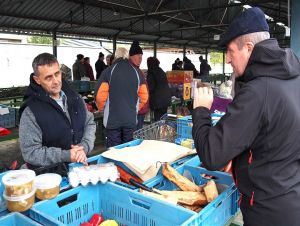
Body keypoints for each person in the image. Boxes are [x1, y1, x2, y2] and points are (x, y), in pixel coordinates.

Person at [192, 7, 300, 226]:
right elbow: (272, 134)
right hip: (290, 195)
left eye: (231, 51)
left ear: (249, 48)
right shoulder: (293, 78)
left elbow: (211, 155)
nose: (228, 59)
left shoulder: (257, 92)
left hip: (267, 212)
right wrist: (241, 155)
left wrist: (201, 110)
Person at [19, 53, 96, 169]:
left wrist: (84, 147)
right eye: (48, 77)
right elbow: (30, 152)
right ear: (37, 79)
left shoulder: (75, 98)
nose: (56, 81)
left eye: (57, 74)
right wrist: (66, 155)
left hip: (80, 166)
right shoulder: (31, 111)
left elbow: (89, 122)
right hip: (49, 176)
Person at [95, 47, 148, 148]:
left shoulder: (108, 71)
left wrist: (103, 109)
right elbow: (144, 96)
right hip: (130, 119)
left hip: (112, 120)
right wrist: (135, 109)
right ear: (127, 56)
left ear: (115, 56)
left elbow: (99, 96)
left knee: (114, 151)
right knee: (128, 149)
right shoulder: (137, 72)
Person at [129, 40, 149, 130]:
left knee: (137, 134)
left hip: (140, 109)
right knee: (134, 135)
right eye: (138, 55)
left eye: (141, 56)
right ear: (131, 56)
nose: (140, 58)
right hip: (135, 111)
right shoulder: (130, 70)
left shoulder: (138, 70)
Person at [147, 56, 171, 121]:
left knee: (158, 120)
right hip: (165, 98)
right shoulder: (161, 70)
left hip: (158, 100)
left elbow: (151, 87)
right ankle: (164, 130)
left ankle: (159, 130)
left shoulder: (151, 72)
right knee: (163, 119)